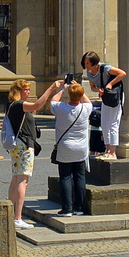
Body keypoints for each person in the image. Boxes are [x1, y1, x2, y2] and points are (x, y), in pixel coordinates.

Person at [3, 78, 62, 229]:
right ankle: (17, 217)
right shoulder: (18, 105)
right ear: (18, 91)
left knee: (16, 179)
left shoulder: (12, 105)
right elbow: (37, 105)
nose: (28, 92)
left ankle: (11, 214)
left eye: (29, 89)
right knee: (23, 180)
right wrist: (51, 89)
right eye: (25, 90)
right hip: (24, 146)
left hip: (17, 146)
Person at [50, 81, 93, 216]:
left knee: (65, 177)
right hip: (81, 148)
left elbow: (53, 100)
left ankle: (67, 208)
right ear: (80, 95)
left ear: (69, 95)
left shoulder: (61, 108)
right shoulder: (86, 108)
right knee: (80, 177)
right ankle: (79, 207)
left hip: (65, 147)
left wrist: (63, 89)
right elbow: (87, 100)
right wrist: (80, 91)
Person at [82, 52, 126, 159]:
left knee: (113, 123)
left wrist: (110, 84)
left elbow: (122, 73)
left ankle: (113, 152)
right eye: (85, 63)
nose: (86, 65)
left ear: (95, 62)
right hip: (105, 97)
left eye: (88, 63)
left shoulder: (105, 68)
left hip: (115, 97)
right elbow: (93, 87)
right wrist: (99, 90)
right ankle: (107, 149)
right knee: (105, 123)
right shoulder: (89, 73)